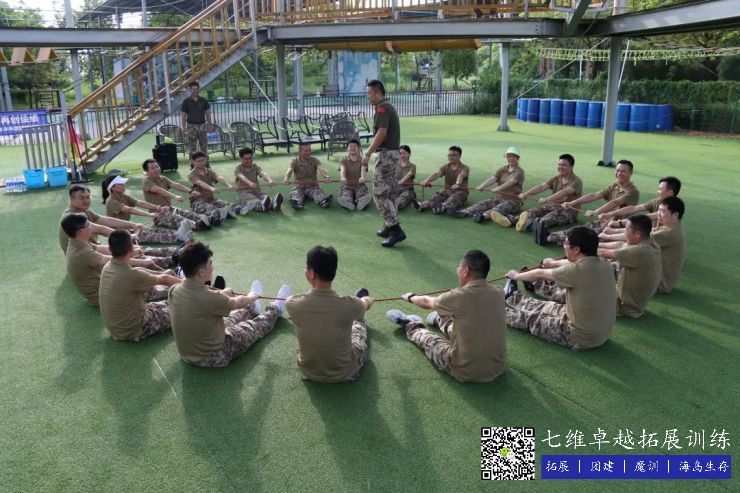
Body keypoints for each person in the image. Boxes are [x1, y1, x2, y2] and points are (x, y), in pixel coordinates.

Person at [386, 250, 506, 382]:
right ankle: (441, 320)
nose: (457, 270)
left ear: (465, 270)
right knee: (465, 320)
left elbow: (426, 302)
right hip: (497, 368)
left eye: (458, 267)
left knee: (430, 341)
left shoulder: (459, 296)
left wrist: (410, 297)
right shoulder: (499, 292)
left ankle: (411, 324)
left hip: (464, 369)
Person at [168, 242, 291, 367]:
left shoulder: (174, 289)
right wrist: (251, 296)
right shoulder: (211, 298)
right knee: (253, 327)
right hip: (213, 355)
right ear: (201, 272)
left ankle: (252, 308)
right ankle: (275, 309)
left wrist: (223, 293)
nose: (213, 267)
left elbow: (203, 302)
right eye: (210, 263)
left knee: (231, 318)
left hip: (187, 353)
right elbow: (238, 302)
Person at [504, 227, 616, 350]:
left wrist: (516, 276)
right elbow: (573, 263)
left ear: (577, 249)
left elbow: (540, 274)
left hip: (579, 337)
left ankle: (497, 313)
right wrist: (553, 263)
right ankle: (512, 297)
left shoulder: (577, 270)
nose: (564, 246)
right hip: (600, 332)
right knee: (548, 306)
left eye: (566, 243)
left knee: (532, 319)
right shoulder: (605, 263)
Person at [285, 246, 374, 382]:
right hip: (345, 372)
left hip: (309, 372)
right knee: (359, 324)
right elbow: (365, 304)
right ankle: (358, 322)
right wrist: (366, 300)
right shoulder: (351, 304)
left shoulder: (292, 303)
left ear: (312, 273)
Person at [59, 185, 179, 269]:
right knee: (131, 255)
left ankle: (175, 253)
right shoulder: (72, 216)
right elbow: (101, 228)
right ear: (71, 199)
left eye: (87, 197)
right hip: (88, 257)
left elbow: (105, 221)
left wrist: (132, 225)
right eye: (81, 198)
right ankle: (174, 258)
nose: (86, 201)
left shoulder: (81, 210)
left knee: (134, 250)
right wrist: (127, 237)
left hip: (93, 248)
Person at [99, 230, 182, 341]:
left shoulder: (108, 266)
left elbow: (138, 271)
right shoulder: (130, 274)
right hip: (134, 328)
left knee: (169, 303)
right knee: (183, 307)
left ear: (110, 249)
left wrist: (162, 272)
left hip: (117, 326)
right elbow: (165, 279)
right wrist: (193, 285)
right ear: (131, 249)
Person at [61, 214, 158, 306]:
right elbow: (115, 260)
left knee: (134, 263)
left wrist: (130, 249)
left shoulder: (76, 241)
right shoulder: (81, 252)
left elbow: (101, 249)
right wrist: (144, 262)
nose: (91, 226)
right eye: (88, 225)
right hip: (102, 294)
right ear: (80, 232)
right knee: (148, 286)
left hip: (104, 285)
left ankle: (162, 266)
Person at [599, 198, 685, 294]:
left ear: (675, 215)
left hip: (659, 282)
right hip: (655, 275)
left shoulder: (670, 233)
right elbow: (637, 233)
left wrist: (609, 236)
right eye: (658, 210)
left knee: (601, 269)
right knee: (621, 252)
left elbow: (634, 235)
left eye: (662, 211)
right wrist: (613, 232)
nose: (658, 214)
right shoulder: (670, 227)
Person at [544, 160, 640, 246]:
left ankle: (550, 238)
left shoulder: (633, 191)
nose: (619, 173)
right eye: (617, 170)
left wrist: (596, 212)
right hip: (605, 221)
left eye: (623, 171)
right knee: (580, 230)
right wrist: (572, 203)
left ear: (630, 173)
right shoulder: (614, 186)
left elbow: (614, 203)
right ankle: (550, 237)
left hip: (616, 227)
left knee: (585, 237)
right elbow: (595, 195)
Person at [363, 79, 407, 247]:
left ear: (378, 93)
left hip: (387, 155)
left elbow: (381, 133)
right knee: (389, 192)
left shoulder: (382, 108)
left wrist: (367, 153)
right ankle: (388, 226)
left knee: (380, 193)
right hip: (392, 153)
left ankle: (395, 230)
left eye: (369, 93)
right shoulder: (387, 106)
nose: (368, 96)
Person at [598, 214, 661, 318]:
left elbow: (606, 254)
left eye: (626, 230)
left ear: (637, 234)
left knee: (577, 289)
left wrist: (584, 248)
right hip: (634, 303)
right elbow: (622, 246)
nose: (624, 233)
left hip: (623, 306)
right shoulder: (651, 243)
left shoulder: (640, 251)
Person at [446, 146, 524, 226]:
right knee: (482, 204)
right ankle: (463, 212)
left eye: (514, 156)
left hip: (513, 201)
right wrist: (482, 186)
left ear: (518, 158)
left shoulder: (519, 172)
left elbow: (511, 182)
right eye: (509, 156)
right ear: (506, 157)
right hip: (499, 198)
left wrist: (498, 188)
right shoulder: (503, 169)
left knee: (498, 209)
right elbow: (493, 178)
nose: (511, 158)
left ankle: (483, 216)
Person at [102, 175, 191, 244]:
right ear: (112, 187)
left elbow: (139, 202)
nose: (123, 185)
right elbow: (129, 210)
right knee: (144, 235)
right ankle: (178, 237)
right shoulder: (111, 201)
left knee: (148, 230)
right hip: (118, 233)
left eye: (123, 183)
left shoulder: (123, 196)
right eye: (120, 184)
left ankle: (177, 234)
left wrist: (158, 208)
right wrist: (149, 214)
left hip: (126, 228)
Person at [514, 153, 582, 233]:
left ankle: (528, 224)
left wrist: (547, 199)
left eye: (564, 165)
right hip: (553, 206)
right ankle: (512, 220)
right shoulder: (556, 178)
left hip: (568, 211)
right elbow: (542, 187)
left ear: (571, 167)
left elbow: (564, 192)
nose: (560, 167)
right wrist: (526, 194)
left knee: (545, 219)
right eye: (559, 164)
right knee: (531, 212)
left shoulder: (576, 181)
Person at [142, 158, 212, 230]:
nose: (156, 169)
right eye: (153, 168)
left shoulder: (162, 178)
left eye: (157, 166)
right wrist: (175, 196)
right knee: (180, 220)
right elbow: (159, 190)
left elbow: (175, 185)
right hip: (159, 215)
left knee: (189, 214)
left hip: (170, 209)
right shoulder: (146, 181)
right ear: (147, 171)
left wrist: (190, 191)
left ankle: (207, 220)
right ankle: (197, 225)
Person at [598, 176, 681, 227]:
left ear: (670, 192)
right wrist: (610, 214)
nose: (657, 192)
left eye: (660, 189)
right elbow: (634, 208)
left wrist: (619, 223)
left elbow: (644, 218)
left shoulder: (673, 208)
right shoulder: (656, 202)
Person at [417, 145, 470, 214]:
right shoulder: (445, 166)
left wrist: (457, 183)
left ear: (459, 156)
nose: (451, 157)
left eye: (454, 155)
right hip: (448, 190)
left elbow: (461, 175)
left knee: (452, 199)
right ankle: (422, 205)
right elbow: (437, 174)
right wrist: (427, 181)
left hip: (461, 192)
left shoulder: (465, 168)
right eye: (449, 155)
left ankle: (441, 207)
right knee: (436, 197)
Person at [187, 150, 236, 223]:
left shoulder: (209, 171)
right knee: (214, 210)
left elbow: (218, 178)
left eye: (203, 160)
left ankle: (226, 212)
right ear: (193, 162)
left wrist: (229, 185)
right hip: (198, 202)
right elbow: (200, 183)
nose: (202, 162)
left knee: (231, 206)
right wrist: (211, 188)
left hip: (211, 199)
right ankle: (221, 214)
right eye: (199, 161)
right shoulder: (191, 174)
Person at [283, 143, 333, 210]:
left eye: (310, 150)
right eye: (306, 151)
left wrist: (326, 176)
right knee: (296, 194)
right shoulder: (294, 161)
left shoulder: (314, 160)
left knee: (318, 193)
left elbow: (321, 169)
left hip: (312, 186)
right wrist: (286, 178)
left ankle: (323, 201)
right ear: (300, 151)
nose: (309, 152)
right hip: (299, 186)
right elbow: (289, 171)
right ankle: (296, 203)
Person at [233, 147, 282, 214]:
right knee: (253, 199)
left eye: (250, 158)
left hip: (256, 190)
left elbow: (262, 173)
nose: (249, 160)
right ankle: (262, 206)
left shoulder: (255, 166)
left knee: (264, 197)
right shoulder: (238, 169)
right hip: (244, 192)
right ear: (240, 159)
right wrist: (250, 183)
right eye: (246, 159)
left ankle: (273, 203)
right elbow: (242, 177)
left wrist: (269, 180)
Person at [338, 139, 372, 211]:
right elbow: (342, 169)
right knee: (346, 194)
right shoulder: (343, 160)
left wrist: (362, 177)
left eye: (355, 146)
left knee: (361, 194)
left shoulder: (363, 159)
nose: (353, 148)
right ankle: (347, 201)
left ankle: (361, 201)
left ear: (359, 148)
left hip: (360, 184)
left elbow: (363, 169)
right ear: (347, 148)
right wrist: (343, 177)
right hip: (347, 185)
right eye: (350, 146)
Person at [181, 81, 211, 156]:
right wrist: (184, 128)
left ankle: (206, 162)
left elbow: (207, 113)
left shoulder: (203, 100)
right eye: (193, 89)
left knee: (204, 147)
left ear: (199, 89)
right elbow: (183, 115)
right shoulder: (186, 101)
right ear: (190, 90)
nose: (195, 91)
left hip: (202, 126)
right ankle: (192, 162)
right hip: (191, 126)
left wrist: (209, 124)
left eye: (196, 89)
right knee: (192, 148)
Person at [394, 144, 418, 211]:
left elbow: (409, 174)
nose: (402, 155)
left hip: (407, 190)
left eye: (404, 153)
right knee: (385, 197)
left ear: (409, 154)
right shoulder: (395, 164)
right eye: (400, 153)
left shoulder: (412, 166)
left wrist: (401, 181)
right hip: (396, 188)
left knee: (398, 204)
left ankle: (409, 198)